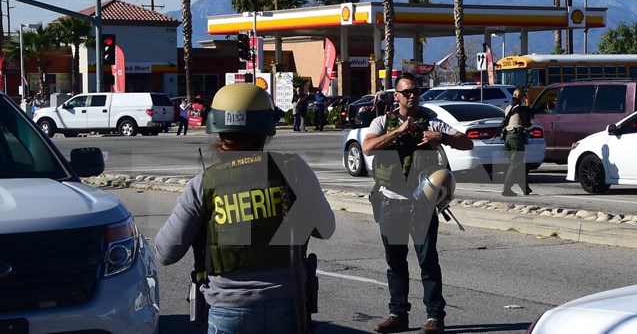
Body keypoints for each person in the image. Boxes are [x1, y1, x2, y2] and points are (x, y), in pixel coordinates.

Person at [155, 83, 336, 334]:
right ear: (265, 132)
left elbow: (166, 253)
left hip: (227, 312)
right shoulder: (293, 170)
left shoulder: (202, 185)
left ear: (217, 130)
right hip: (288, 307)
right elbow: (325, 229)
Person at [362, 72, 473, 334]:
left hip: (422, 203)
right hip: (390, 202)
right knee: (395, 263)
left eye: (415, 91)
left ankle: (435, 317)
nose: (412, 95)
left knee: (428, 262)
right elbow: (368, 147)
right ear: (396, 96)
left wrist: (441, 138)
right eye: (406, 92)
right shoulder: (381, 122)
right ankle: (397, 314)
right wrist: (399, 131)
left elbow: (466, 142)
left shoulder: (432, 122)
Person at [501, 88, 534, 197]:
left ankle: (525, 188)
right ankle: (506, 188)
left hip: (508, 138)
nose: (525, 99)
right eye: (525, 97)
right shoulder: (522, 109)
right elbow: (527, 125)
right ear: (522, 97)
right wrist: (532, 126)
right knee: (515, 164)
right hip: (516, 138)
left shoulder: (508, 108)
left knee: (516, 165)